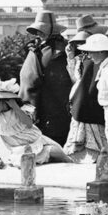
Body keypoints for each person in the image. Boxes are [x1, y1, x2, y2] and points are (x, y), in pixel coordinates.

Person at [0, 78, 71, 169]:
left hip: (39, 143)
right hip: (20, 151)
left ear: (4, 101)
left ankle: (73, 168)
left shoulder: (19, 112)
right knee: (25, 163)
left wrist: (15, 106)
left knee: (59, 154)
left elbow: (29, 124)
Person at [19, 10, 72, 146]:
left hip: (54, 108)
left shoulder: (62, 50)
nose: (39, 34)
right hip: (37, 108)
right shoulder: (37, 49)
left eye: (42, 30)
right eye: (38, 31)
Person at [62, 16, 108, 163]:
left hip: (95, 100)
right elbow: (76, 80)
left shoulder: (102, 56)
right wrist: (70, 58)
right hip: (82, 102)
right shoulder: (80, 59)